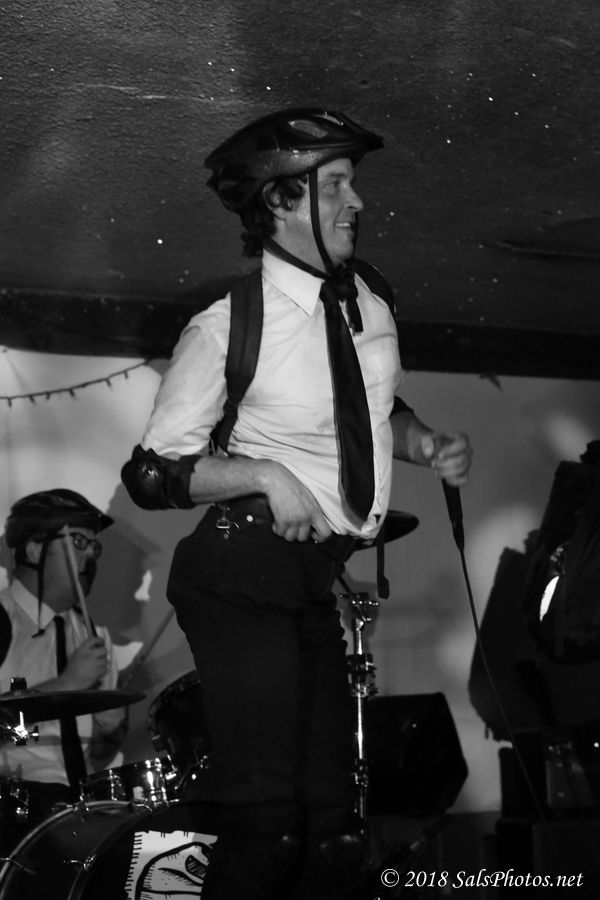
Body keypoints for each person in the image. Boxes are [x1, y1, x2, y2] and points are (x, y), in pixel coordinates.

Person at [121, 107, 472, 899]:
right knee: (267, 825)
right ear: (280, 200)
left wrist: (424, 444)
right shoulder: (227, 326)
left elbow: (372, 411)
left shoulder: (370, 300)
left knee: (333, 831)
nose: (358, 202)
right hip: (235, 572)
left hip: (309, 576)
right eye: (336, 185)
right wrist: (264, 476)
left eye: (353, 184)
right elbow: (151, 473)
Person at [0, 489, 127, 841]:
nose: (91, 555)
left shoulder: (93, 635)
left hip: (80, 808)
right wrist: (66, 684)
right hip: (14, 811)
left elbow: (100, 755)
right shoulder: (3, 620)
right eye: (78, 542)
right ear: (35, 550)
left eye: (95, 547)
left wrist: (110, 731)